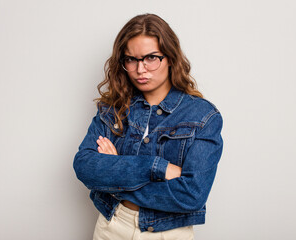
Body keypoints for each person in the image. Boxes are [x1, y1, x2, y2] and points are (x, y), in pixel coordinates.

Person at [73, 13, 223, 240]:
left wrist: (114, 172)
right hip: (111, 227)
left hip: (168, 233)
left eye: (151, 58)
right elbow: (84, 166)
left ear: (170, 58)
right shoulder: (112, 108)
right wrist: (157, 168)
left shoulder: (203, 115)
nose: (140, 69)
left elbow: (193, 194)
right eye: (131, 59)